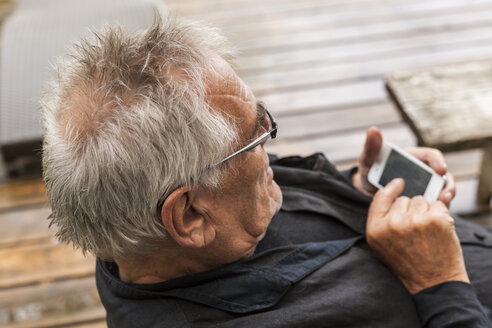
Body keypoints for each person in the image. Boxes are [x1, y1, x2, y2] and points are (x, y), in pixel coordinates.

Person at [40, 18, 492, 327]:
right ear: (190, 217)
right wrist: (441, 283)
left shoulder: (147, 228)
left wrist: (354, 192)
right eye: (255, 139)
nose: (270, 145)